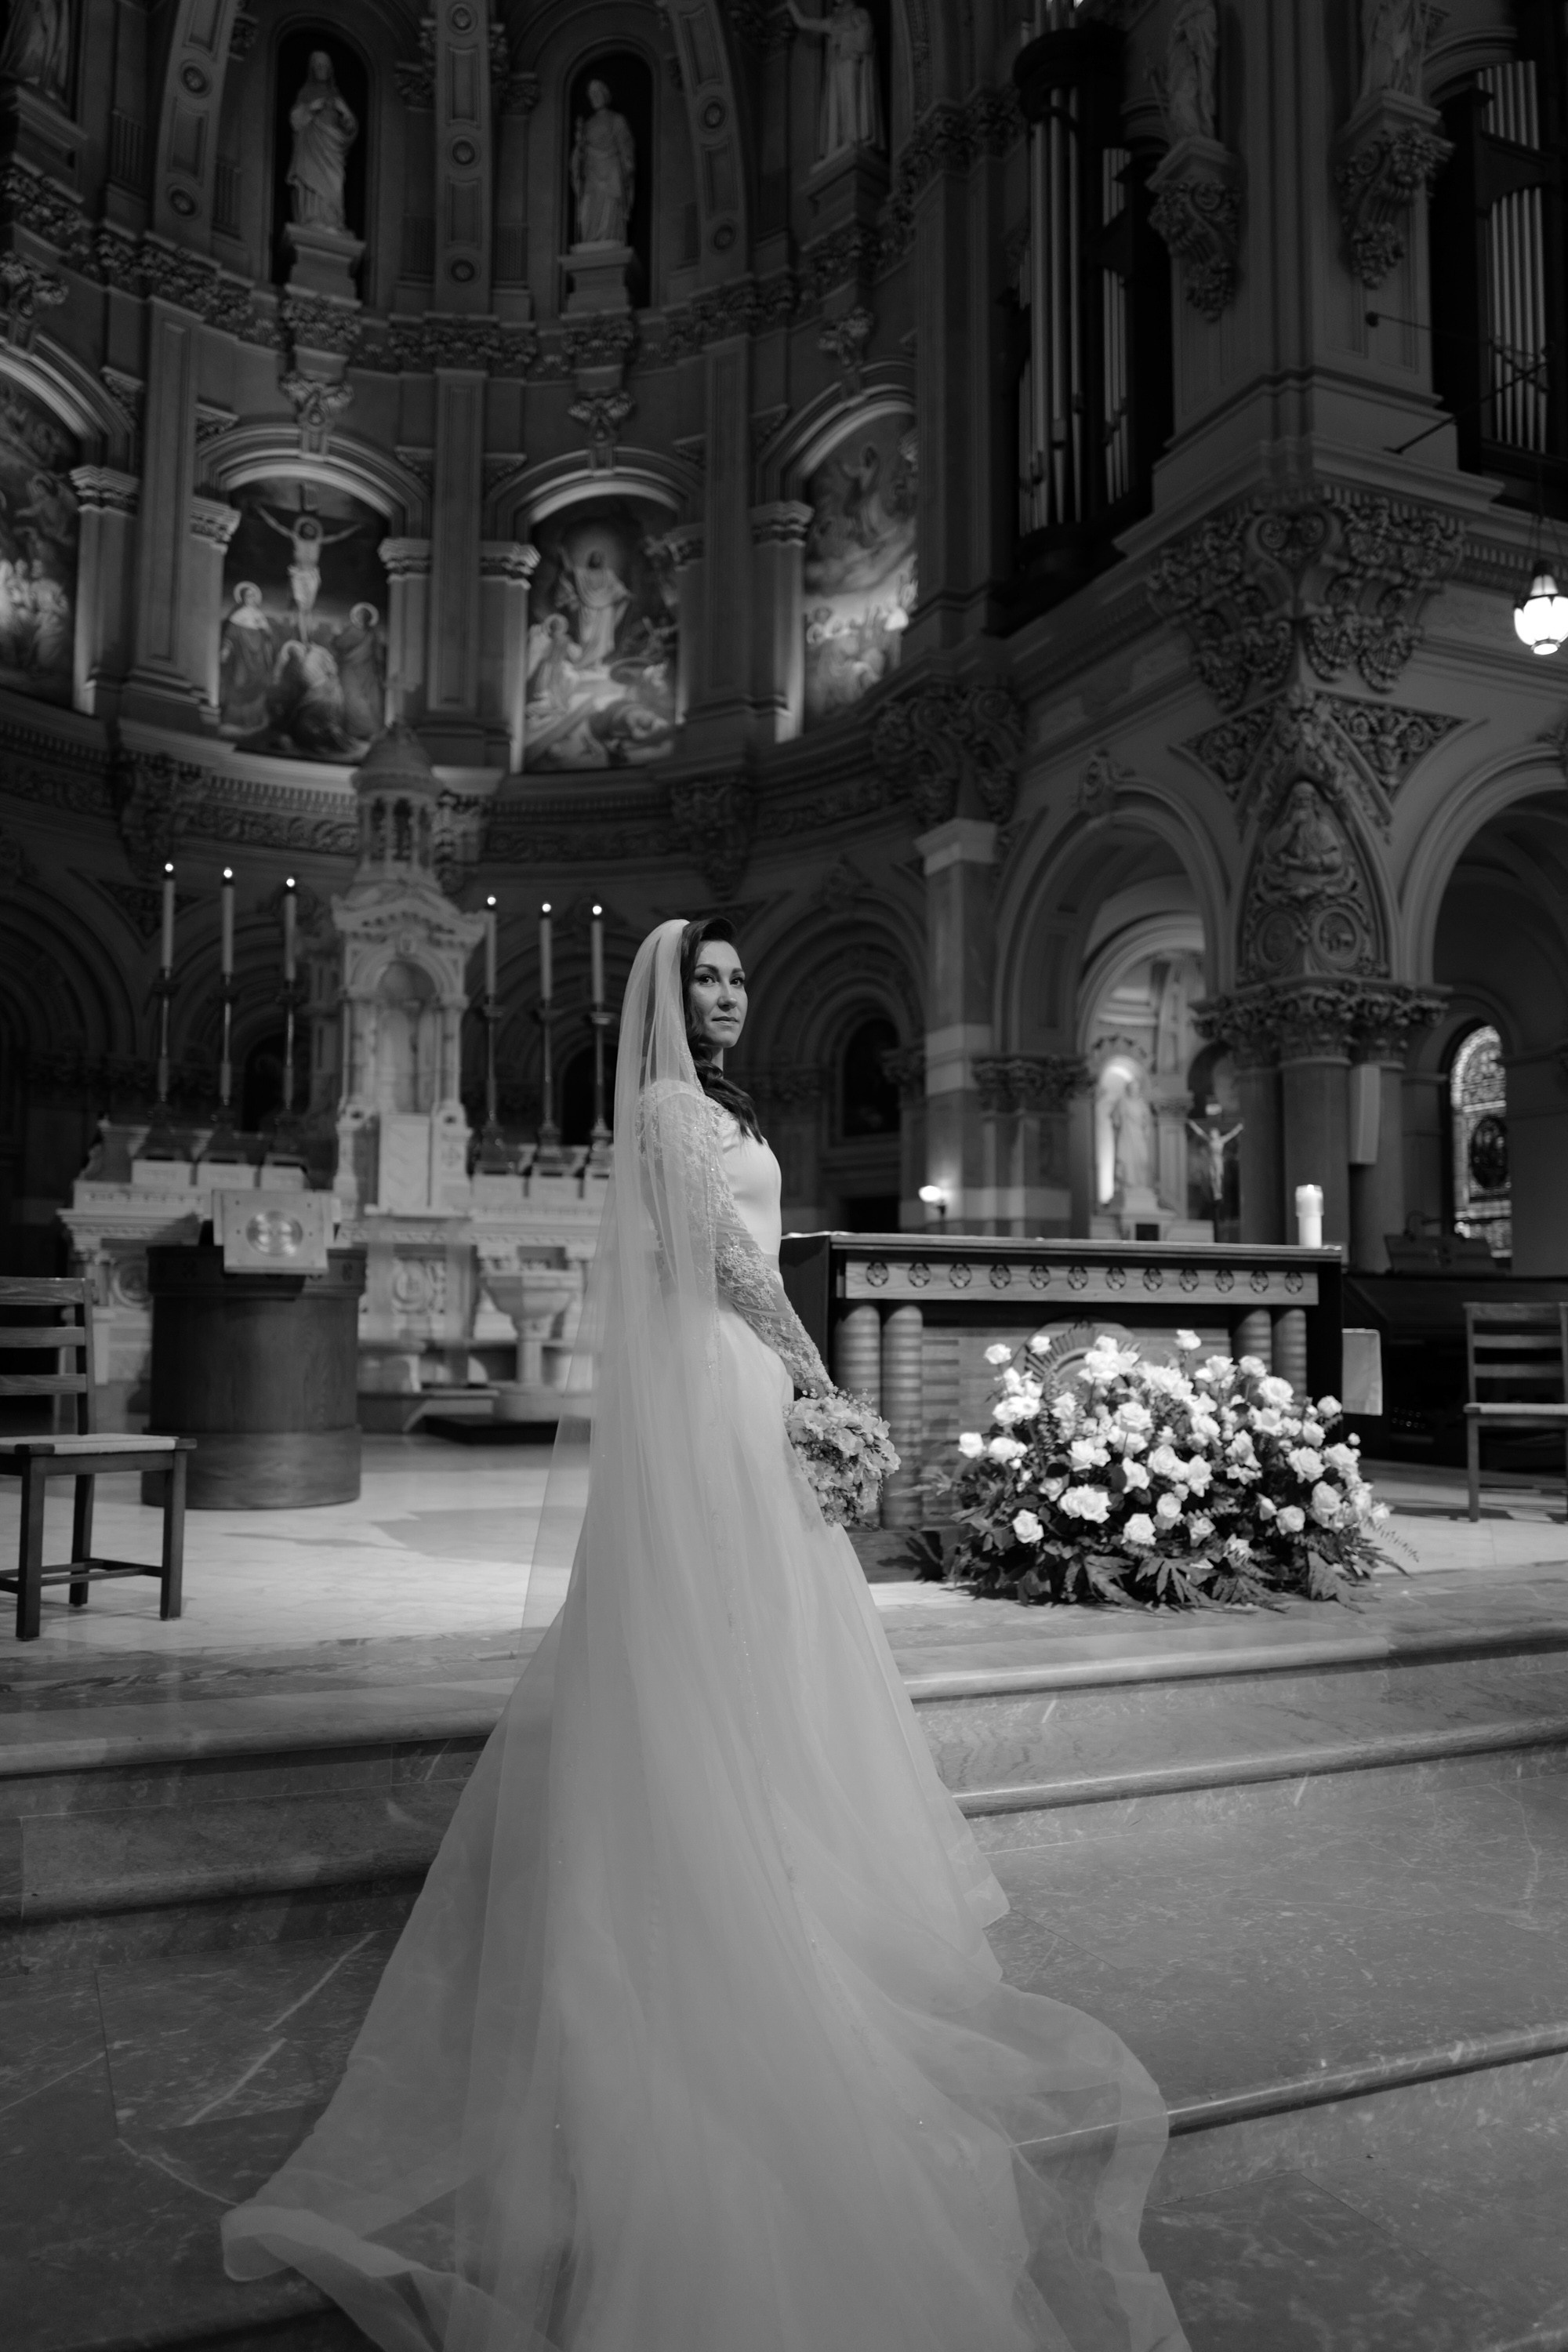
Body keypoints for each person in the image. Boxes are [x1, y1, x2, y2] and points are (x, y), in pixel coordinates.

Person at [222, 916, 1186, 2352]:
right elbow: (725, 1266)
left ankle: (772, 1842)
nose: (730, 996)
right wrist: (811, 1372)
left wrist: (794, 1374)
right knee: (717, 1617)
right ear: (669, 1000)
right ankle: (718, 1858)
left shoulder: (717, 1104)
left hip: (735, 1379)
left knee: (762, 1626)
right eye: (709, 980)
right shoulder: (672, 1109)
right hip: (721, 1374)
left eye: (743, 977)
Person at [786, 0, 885, 158]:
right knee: (837, 104)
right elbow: (803, 22)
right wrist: (790, 5)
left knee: (852, 101)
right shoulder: (834, 21)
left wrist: (846, 40)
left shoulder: (859, 14)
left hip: (852, 62)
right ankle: (840, 142)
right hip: (837, 67)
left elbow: (865, 40)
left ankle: (854, 137)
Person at [287, 50, 358, 233]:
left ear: (330, 71)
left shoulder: (337, 97)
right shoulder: (306, 93)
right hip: (312, 147)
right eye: (318, 66)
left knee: (334, 184)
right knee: (313, 181)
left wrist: (346, 113)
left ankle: (333, 221)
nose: (322, 69)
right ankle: (313, 217)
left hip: (332, 149)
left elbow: (350, 129)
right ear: (312, 70)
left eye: (325, 66)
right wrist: (311, 108)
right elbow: (296, 120)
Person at [569, 76, 635, 245]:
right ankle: (592, 239)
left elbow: (625, 147)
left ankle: (610, 237)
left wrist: (627, 166)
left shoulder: (617, 120)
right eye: (591, 94)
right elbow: (580, 157)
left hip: (611, 171)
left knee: (610, 207)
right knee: (589, 207)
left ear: (605, 94)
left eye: (597, 92)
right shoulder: (587, 125)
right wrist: (580, 147)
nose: (594, 96)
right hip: (592, 173)